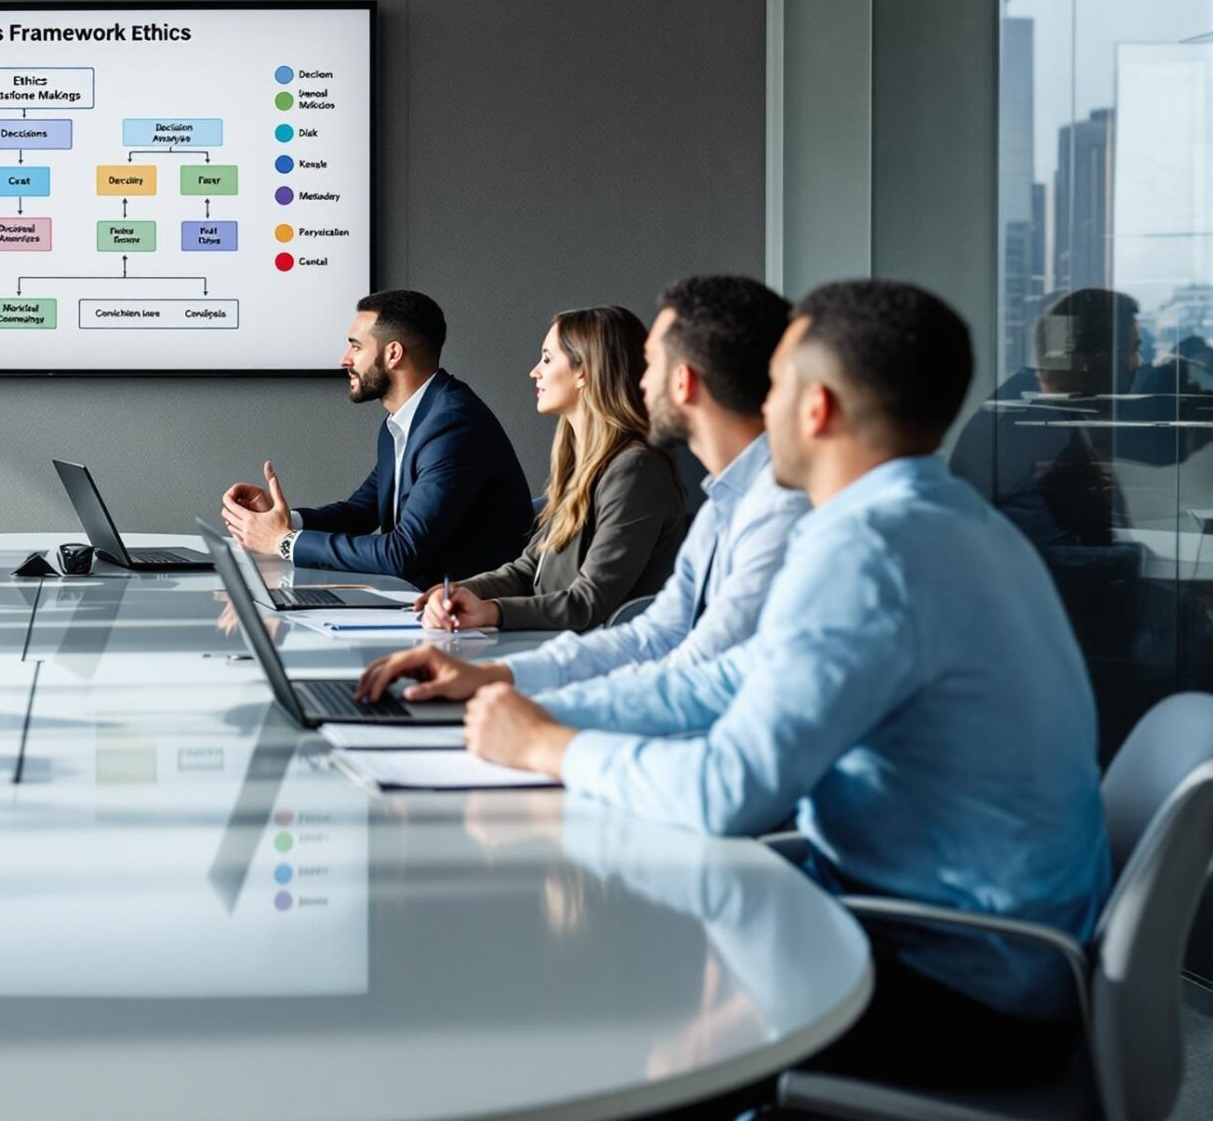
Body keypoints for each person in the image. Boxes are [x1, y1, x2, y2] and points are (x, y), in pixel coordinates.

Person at [461, 280, 1112, 1091]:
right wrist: (529, 713)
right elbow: (720, 681)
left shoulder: (871, 549)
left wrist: (553, 745)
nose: (757, 407)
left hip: (963, 989)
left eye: (775, 384)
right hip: (952, 942)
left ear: (817, 407)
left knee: (615, 1025)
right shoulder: (941, 518)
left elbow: (729, 787)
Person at [363, 276, 803, 700]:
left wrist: (522, 696)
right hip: (575, 663)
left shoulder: (647, 473)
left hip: (586, 666)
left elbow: (610, 613)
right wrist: (465, 596)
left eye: (547, 358)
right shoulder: (708, 503)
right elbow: (539, 573)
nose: (643, 380)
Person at [221, 288, 533, 587]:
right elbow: (361, 512)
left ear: (393, 353)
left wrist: (284, 542)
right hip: (414, 601)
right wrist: (285, 520)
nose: (345, 359)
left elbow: (402, 552)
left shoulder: (452, 426)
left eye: (356, 346)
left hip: (463, 620)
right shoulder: (402, 423)